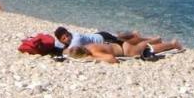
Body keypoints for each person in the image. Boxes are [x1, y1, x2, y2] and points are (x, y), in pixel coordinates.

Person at [52, 26, 184, 63]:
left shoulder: (89, 49)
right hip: (117, 44)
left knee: (149, 49)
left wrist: (93, 58)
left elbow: (112, 59)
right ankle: (153, 38)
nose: (67, 38)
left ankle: (172, 44)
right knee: (141, 43)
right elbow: (68, 51)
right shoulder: (85, 46)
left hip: (123, 50)